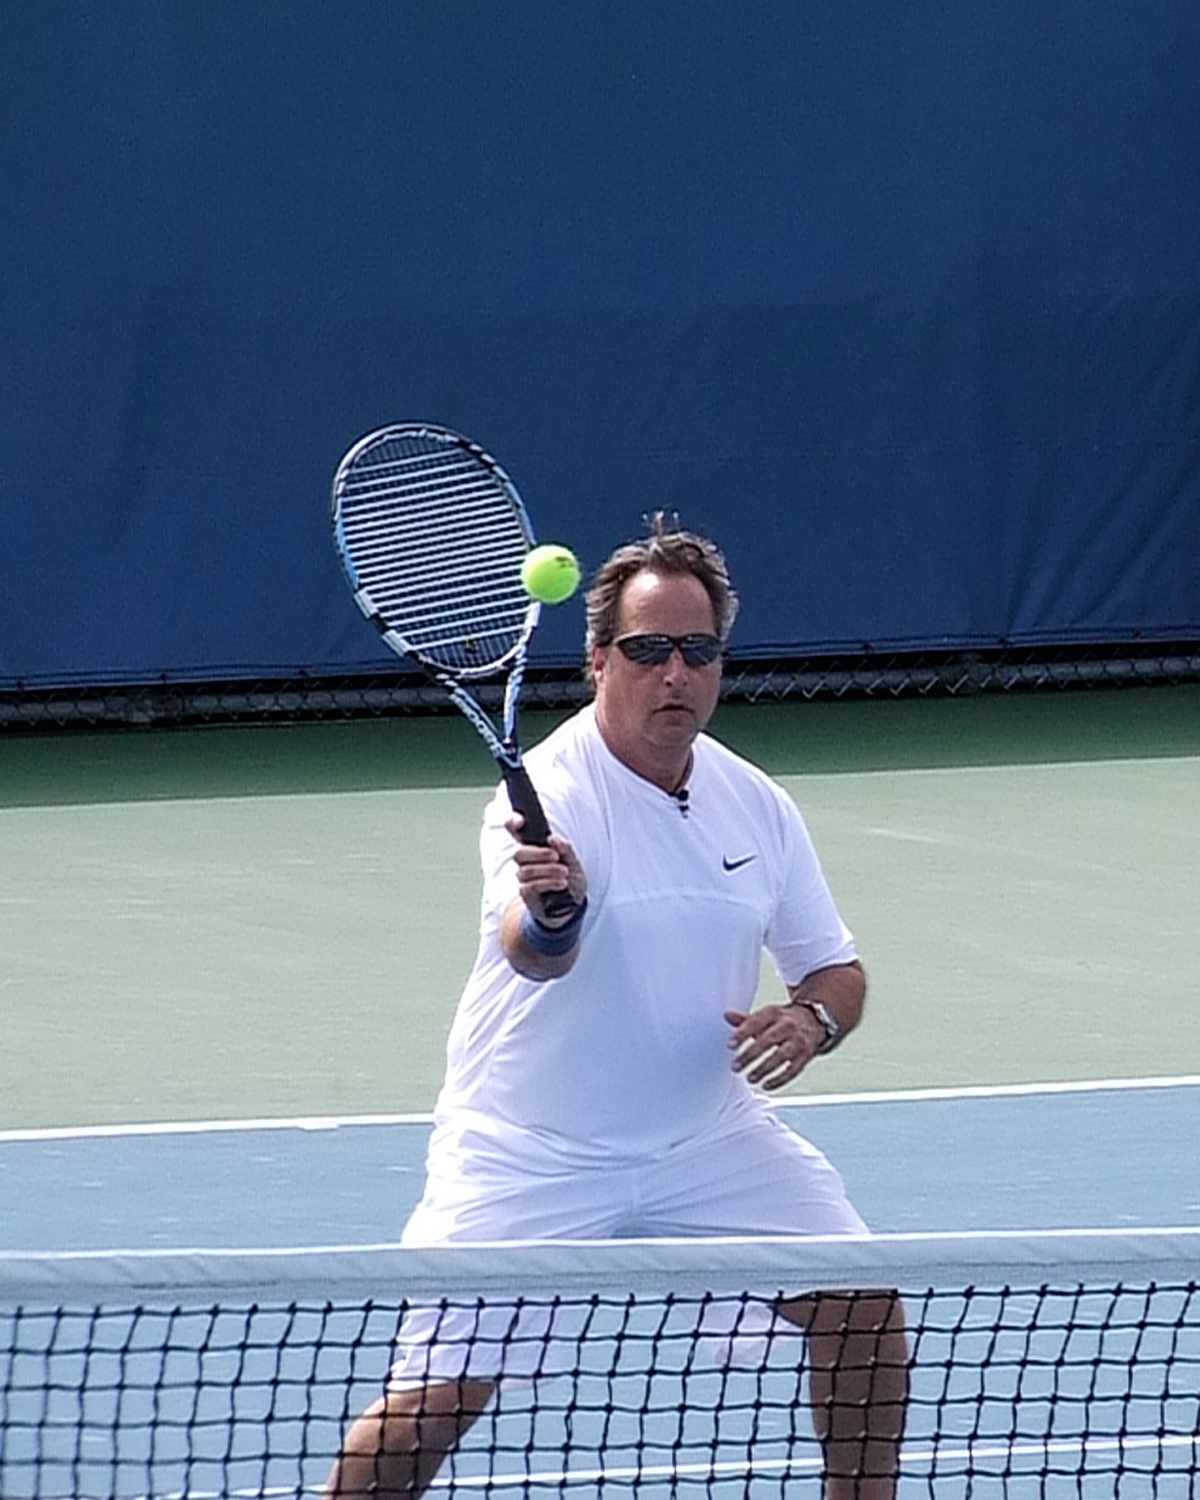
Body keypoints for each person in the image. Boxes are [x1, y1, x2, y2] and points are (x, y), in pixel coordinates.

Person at [326, 517, 909, 1500]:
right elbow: (531, 951)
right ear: (599, 660)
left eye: (697, 650)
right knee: (431, 1407)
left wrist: (809, 1022)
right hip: (528, 1151)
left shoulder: (757, 804)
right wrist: (558, 914)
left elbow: (836, 970)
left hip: (707, 1142)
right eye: (647, 650)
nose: (674, 673)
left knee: (863, 1314)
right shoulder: (547, 797)